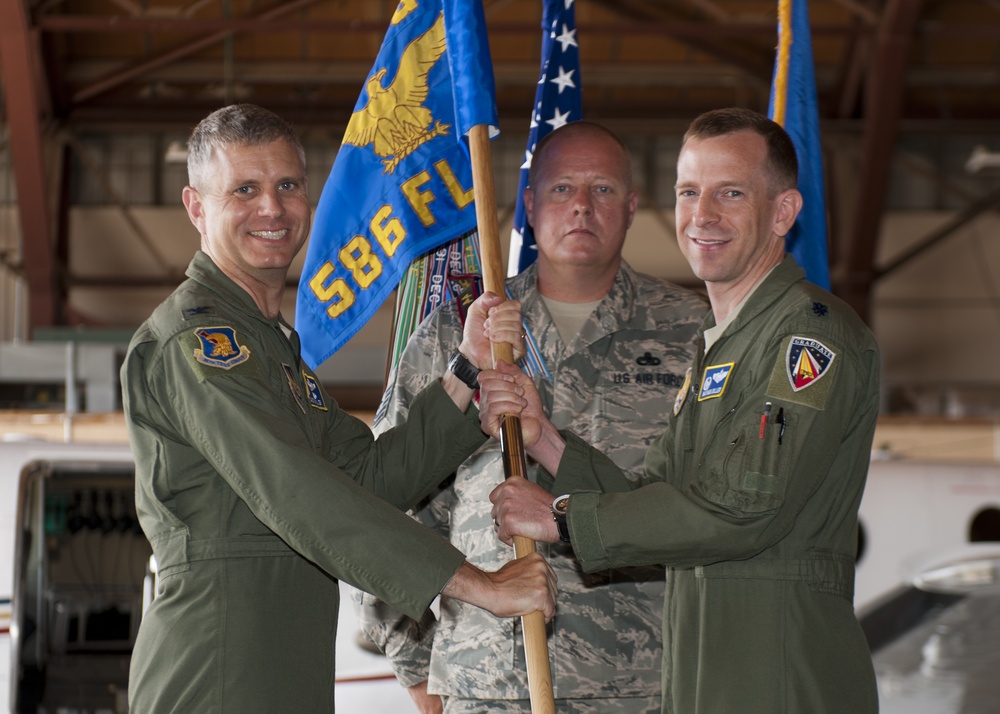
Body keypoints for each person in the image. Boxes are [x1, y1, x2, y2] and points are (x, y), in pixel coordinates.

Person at [119, 103, 556, 714]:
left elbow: (368, 479)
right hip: (219, 669)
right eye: (245, 189)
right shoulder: (198, 345)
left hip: (282, 665)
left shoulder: (268, 347)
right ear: (197, 207)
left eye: (288, 186)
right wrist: (480, 586)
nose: (272, 208)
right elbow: (300, 494)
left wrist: (464, 373)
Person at [482, 108, 881, 714]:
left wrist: (561, 518)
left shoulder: (808, 334)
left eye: (731, 194)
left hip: (780, 675)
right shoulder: (717, 341)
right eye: (689, 193)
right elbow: (660, 495)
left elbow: (742, 509)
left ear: (783, 212)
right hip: (703, 672)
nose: (703, 216)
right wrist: (547, 443)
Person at [353, 121, 706, 714]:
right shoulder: (455, 333)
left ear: (632, 207)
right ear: (531, 205)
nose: (583, 208)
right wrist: (418, 671)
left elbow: (702, 509)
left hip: (645, 683)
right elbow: (383, 502)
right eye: (563, 189)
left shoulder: (691, 330)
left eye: (603, 190)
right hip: (487, 683)